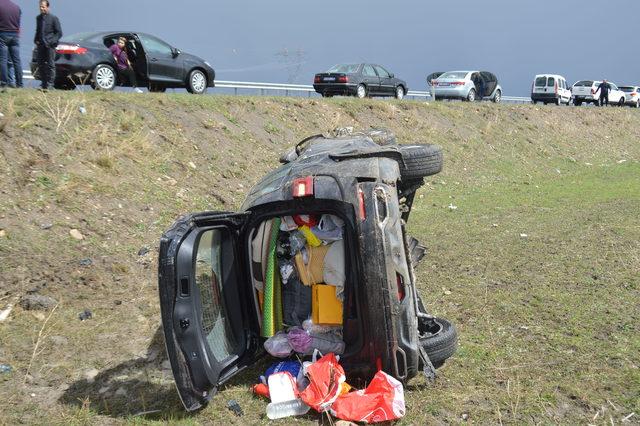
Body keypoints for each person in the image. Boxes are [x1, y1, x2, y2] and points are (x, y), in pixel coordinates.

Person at [34, 0, 62, 90]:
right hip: (41, 45)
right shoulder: (38, 18)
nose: (41, 8)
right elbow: (38, 30)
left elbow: (59, 33)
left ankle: (50, 85)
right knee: (40, 64)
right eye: (40, 7)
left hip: (50, 45)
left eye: (43, 7)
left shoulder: (54, 18)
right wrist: (36, 40)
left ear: (47, 7)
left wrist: (52, 42)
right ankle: (44, 83)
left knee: (50, 64)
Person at [0, 0, 23, 88]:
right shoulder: (16, 7)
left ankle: (4, 83)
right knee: (17, 61)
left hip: (3, 34)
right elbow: (19, 23)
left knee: (3, 60)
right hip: (15, 35)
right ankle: (20, 84)